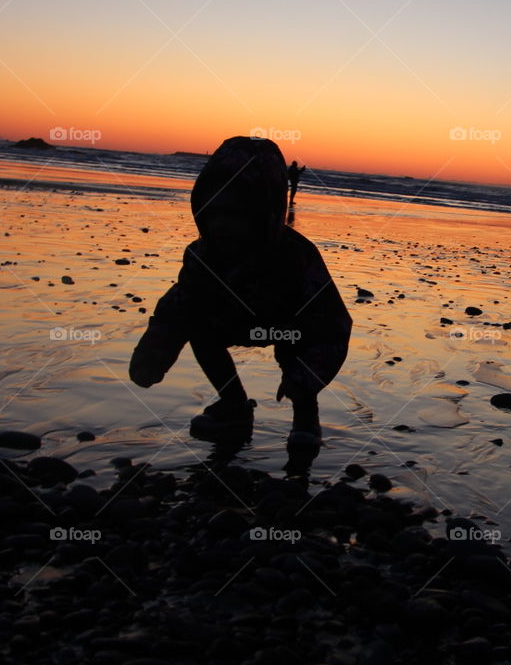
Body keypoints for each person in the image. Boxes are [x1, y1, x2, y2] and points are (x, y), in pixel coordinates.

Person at [128, 136, 351, 446]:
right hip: (235, 321)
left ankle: (305, 413)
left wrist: (307, 376)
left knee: (296, 348)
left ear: (263, 212)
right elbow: (179, 306)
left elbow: (332, 322)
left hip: (292, 329)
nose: (221, 225)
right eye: (213, 212)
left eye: (234, 215)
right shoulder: (203, 256)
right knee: (199, 326)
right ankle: (234, 404)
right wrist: (155, 353)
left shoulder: (296, 256)